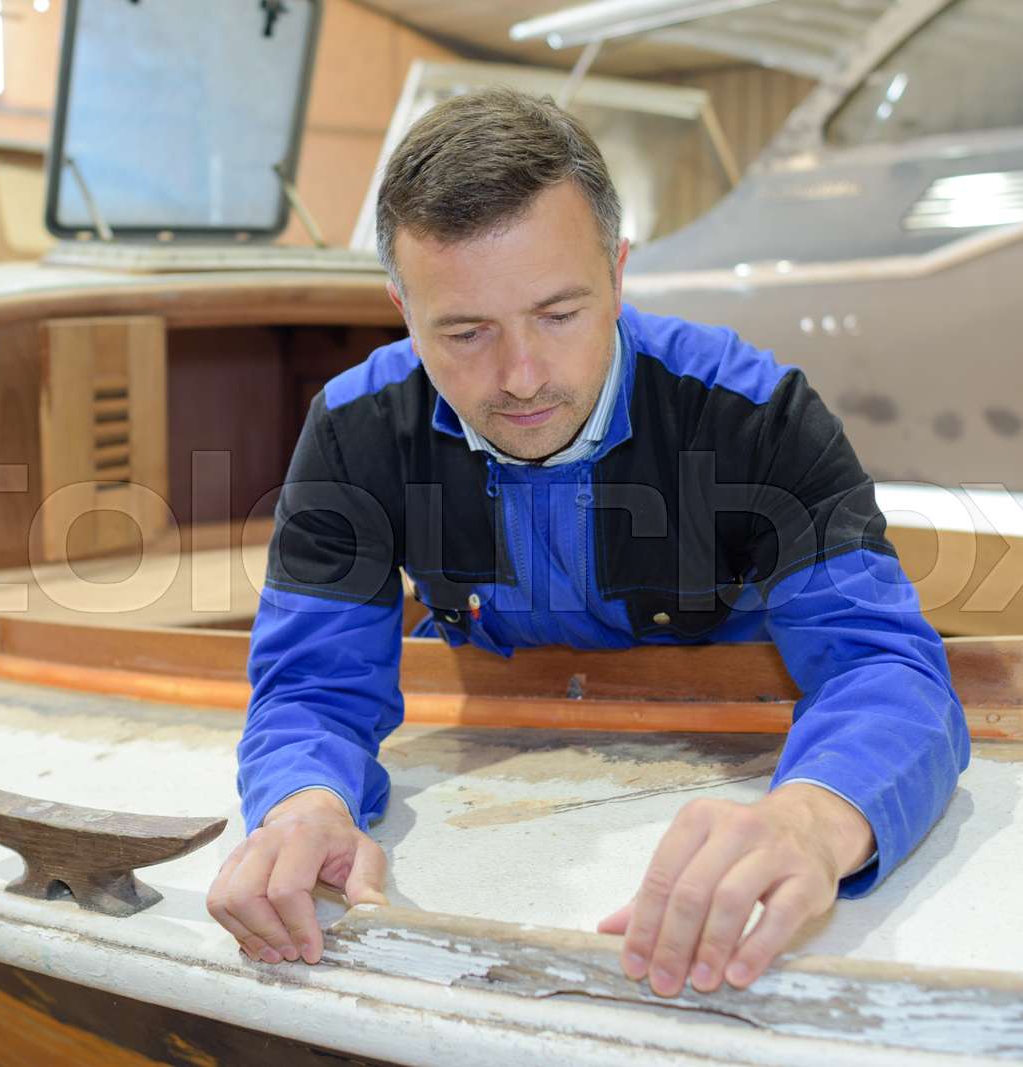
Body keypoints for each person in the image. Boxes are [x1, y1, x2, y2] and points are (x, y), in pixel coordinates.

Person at [207, 87, 968, 998]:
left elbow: (883, 667)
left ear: (617, 272)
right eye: (465, 332)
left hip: (747, 759)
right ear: (401, 308)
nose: (522, 376)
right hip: (493, 777)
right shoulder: (351, 430)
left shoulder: (755, 412)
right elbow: (310, 689)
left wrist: (815, 815)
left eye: (559, 314)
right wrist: (304, 804)